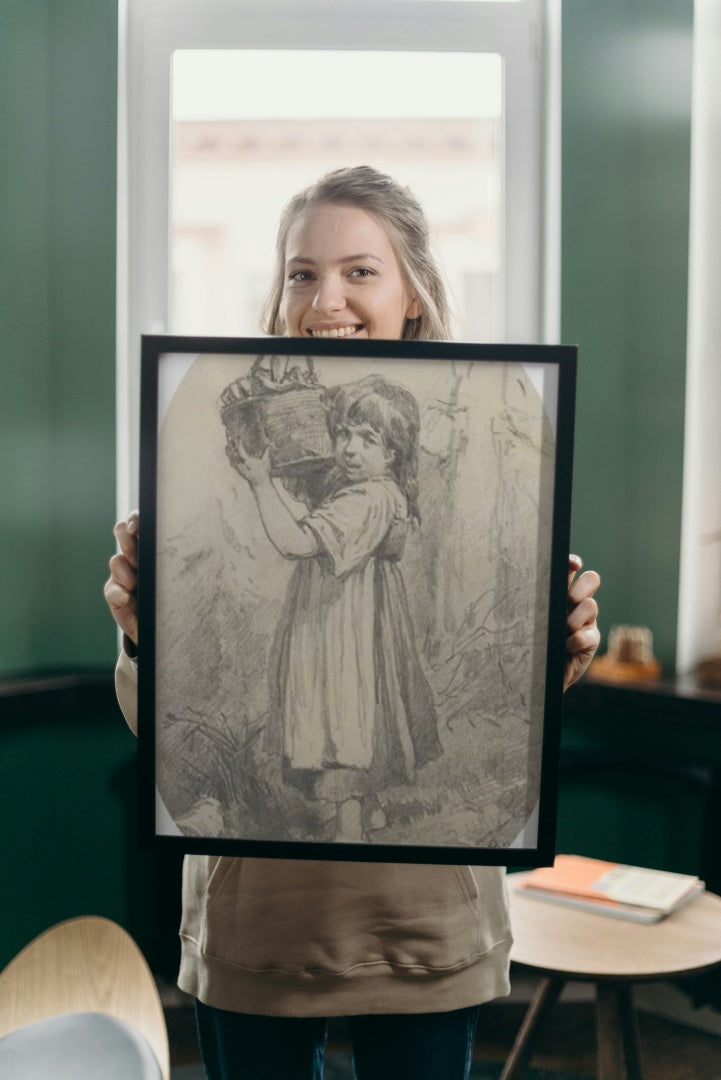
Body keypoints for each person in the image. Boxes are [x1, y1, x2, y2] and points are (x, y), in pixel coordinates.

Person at [105, 165, 601, 1080]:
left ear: (413, 291)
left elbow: (518, 706)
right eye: (301, 272)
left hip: (423, 925)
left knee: (346, 714)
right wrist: (142, 635)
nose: (324, 297)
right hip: (257, 926)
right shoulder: (266, 428)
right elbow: (159, 727)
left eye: (359, 271)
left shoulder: (490, 422)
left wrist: (556, 653)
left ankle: (348, 797)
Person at [226, 374, 442, 843]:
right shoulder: (369, 491)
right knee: (360, 712)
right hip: (352, 620)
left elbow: (295, 541)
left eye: (368, 440)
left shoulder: (368, 497)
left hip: (345, 628)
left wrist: (262, 483)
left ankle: (350, 833)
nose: (349, 448)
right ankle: (372, 812)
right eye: (344, 433)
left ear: (393, 454)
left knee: (345, 713)